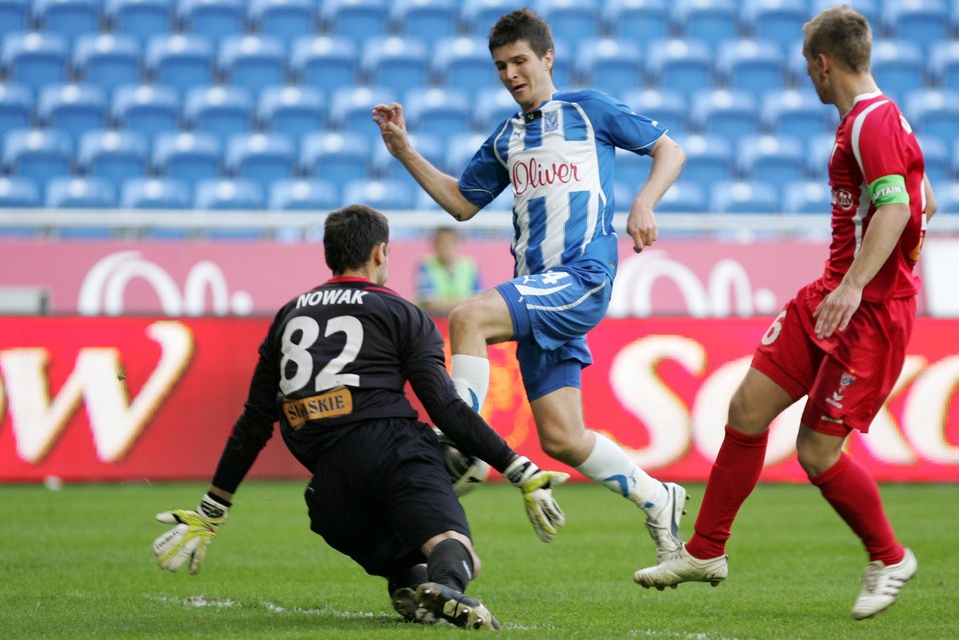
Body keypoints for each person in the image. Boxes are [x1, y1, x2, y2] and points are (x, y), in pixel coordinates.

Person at [633, 5, 937, 621]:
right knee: (745, 411)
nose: (808, 76)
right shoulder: (876, 119)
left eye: (808, 66)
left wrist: (858, 284)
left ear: (822, 64)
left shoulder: (871, 124)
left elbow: (899, 209)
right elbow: (921, 197)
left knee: (818, 453)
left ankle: (888, 556)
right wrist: (862, 273)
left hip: (866, 312)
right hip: (828, 296)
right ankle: (705, 551)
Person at [151, 205, 570, 630]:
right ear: (379, 253)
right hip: (394, 449)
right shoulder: (402, 312)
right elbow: (445, 406)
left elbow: (255, 421)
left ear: (328, 255)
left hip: (328, 488)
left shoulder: (290, 315)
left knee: (400, 554)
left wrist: (212, 508)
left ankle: (411, 587)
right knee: (453, 546)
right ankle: (448, 588)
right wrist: (520, 469)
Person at [373, 8, 689, 564]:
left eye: (520, 60)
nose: (511, 73)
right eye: (500, 66)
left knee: (468, 317)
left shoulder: (587, 110)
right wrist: (404, 152)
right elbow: (461, 203)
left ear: (546, 57)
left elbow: (670, 149)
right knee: (563, 438)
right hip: (539, 291)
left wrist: (645, 200)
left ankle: (462, 443)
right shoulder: (507, 138)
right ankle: (658, 497)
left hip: (582, 278)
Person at [416, 226, 482, 316]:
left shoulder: (470, 266)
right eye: (443, 243)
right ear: (435, 245)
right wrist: (464, 302)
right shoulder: (426, 266)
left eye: (452, 242)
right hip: (434, 323)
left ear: (458, 244)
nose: (447, 247)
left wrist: (443, 303)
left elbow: (479, 301)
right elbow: (428, 303)